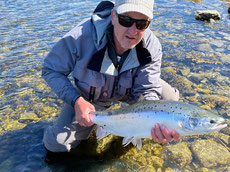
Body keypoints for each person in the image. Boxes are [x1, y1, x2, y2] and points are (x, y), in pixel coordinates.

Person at [42, 0, 181, 163]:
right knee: (57, 145)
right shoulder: (80, 36)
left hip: (131, 91)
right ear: (113, 16)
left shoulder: (152, 45)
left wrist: (155, 123)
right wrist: (76, 100)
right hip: (91, 97)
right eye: (126, 20)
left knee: (169, 102)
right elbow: (51, 70)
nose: (133, 30)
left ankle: (130, 130)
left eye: (142, 24)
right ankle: (100, 122)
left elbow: (148, 89)